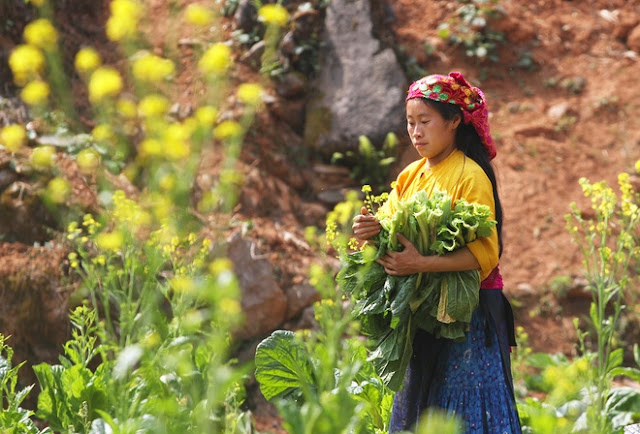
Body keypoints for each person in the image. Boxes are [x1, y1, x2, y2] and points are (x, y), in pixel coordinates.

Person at [352, 72, 522, 433]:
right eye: (410, 123)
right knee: (421, 411)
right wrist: (371, 233)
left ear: (454, 121)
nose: (416, 132)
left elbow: (485, 255)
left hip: (468, 317)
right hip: (425, 316)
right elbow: (391, 235)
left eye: (425, 121)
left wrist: (421, 263)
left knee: (464, 413)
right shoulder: (410, 175)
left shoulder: (470, 175)